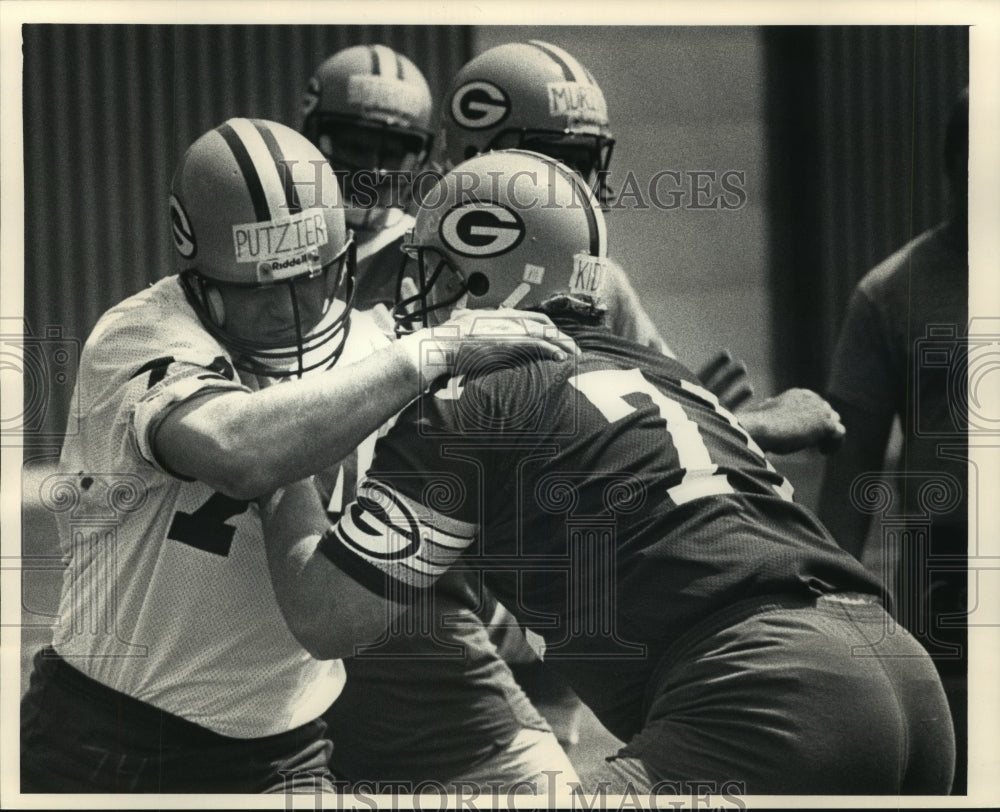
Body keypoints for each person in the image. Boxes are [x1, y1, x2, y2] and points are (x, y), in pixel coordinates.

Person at [261, 150, 954, 795]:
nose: (418, 299)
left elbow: (328, 618)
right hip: (903, 676)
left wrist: (277, 446)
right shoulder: (664, 374)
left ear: (491, 272)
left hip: (764, 699)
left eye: (439, 272)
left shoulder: (471, 396)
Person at [18, 119, 575, 794]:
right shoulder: (138, 332)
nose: (289, 307)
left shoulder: (372, 346)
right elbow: (238, 449)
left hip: (284, 749)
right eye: (256, 287)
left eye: (310, 278)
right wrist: (428, 353)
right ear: (196, 271)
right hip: (107, 733)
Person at [300, 45, 579, 792]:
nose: (369, 164)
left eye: (392, 149)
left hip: (433, 565)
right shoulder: (288, 251)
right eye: (352, 142)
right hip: (339, 554)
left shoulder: (454, 246)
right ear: (310, 135)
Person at [817, 86, 969, 793]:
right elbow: (852, 474)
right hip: (952, 565)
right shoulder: (892, 293)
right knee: (963, 761)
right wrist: (824, 612)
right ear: (953, 166)